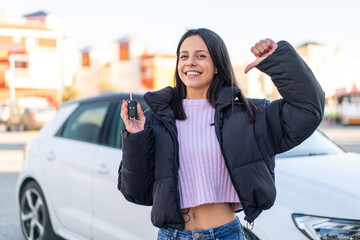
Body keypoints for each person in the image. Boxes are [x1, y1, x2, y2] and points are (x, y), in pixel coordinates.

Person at [118, 28, 325, 240]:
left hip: (226, 234)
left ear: (217, 66)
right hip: (172, 236)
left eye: (201, 56)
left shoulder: (247, 115)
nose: (190, 62)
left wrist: (277, 61)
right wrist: (136, 138)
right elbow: (135, 191)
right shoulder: (155, 118)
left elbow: (308, 110)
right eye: (184, 56)